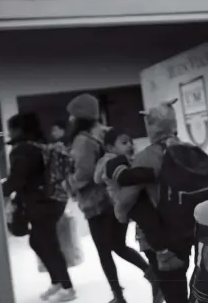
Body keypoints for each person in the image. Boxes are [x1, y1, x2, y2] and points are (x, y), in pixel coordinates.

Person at [65, 94, 157, 303]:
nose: (69, 119)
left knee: (104, 252)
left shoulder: (82, 140)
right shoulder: (106, 132)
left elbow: (84, 173)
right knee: (118, 244)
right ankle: (152, 275)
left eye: (71, 115)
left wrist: (68, 183)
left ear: (79, 116)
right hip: (114, 198)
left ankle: (119, 296)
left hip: (96, 203)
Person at [105, 101, 192, 303]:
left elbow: (126, 200)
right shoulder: (189, 150)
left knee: (172, 292)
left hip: (159, 236)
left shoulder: (147, 156)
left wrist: (119, 212)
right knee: (179, 283)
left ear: (151, 126)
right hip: (187, 228)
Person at [1, 113, 76, 302]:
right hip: (54, 200)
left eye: (11, 128)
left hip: (41, 203)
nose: (9, 132)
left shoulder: (22, 150)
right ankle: (57, 282)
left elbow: (17, 180)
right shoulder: (40, 145)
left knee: (47, 243)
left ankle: (67, 287)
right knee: (38, 241)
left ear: (19, 129)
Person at [95, 128, 185, 272]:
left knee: (149, 222)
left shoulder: (121, 160)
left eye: (130, 142)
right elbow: (127, 177)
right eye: (124, 143)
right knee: (149, 221)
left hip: (130, 199)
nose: (130, 145)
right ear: (110, 148)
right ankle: (163, 254)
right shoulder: (112, 162)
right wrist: (151, 173)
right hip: (129, 201)